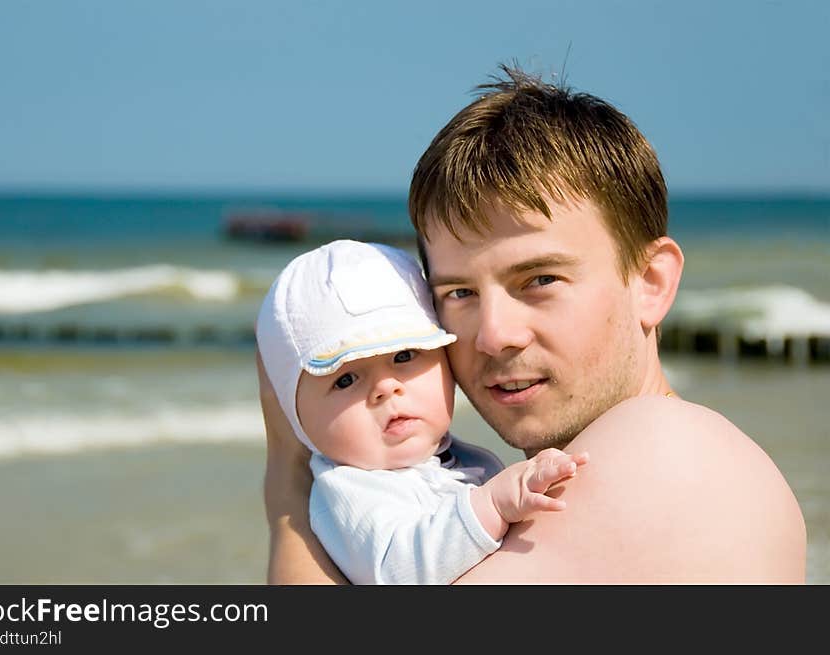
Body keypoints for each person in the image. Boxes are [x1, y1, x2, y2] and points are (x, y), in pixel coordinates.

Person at [259, 65, 807, 584]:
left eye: (540, 280)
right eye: (459, 293)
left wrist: (289, 476)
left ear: (650, 282)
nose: (494, 334)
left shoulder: (669, 449)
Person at [257, 239, 589, 584]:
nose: (386, 388)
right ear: (297, 420)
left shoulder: (456, 460)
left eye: (404, 356)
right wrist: (491, 505)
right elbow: (400, 570)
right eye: (345, 380)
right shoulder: (350, 491)